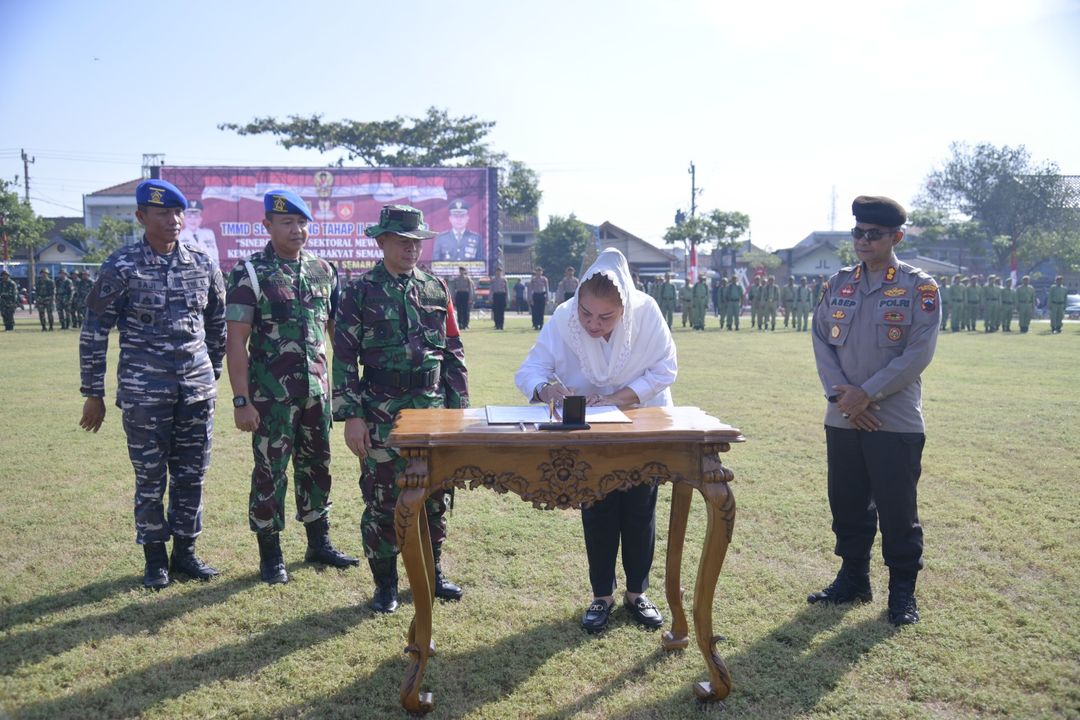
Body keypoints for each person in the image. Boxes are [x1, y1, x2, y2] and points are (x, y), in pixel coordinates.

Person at [515, 248, 677, 633]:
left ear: (623, 307)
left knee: (640, 509)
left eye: (605, 317)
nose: (592, 323)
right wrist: (547, 390)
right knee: (598, 508)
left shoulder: (647, 311)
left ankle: (638, 593)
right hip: (589, 433)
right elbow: (530, 369)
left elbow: (665, 367)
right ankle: (601, 595)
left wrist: (618, 398)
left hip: (640, 423)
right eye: (586, 313)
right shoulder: (563, 318)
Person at [79, 178, 226, 589]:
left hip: (195, 392)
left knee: (192, 475)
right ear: (141, 216)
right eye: (162, 213)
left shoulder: (202, 261)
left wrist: (210, 372)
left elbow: (216, 322)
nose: (172, 220)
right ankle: (155, 559)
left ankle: (186, 553)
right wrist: (94, 392)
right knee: (150, 478)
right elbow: (94, 330)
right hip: (145, 394)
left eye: (178, 212)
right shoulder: (120, 266)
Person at [332, 204, 469, 613]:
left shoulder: (435, 288)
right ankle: (386, 584)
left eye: (417, 242)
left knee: (433, 494)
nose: (411, 249)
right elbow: (343, 358)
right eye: (402, 241)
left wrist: (457, 410)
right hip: (380, 412)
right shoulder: (359, 292)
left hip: (431, 409)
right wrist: (352, 416)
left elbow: (453, 351)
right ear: (382, 242)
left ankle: (433, 572)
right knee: (382, 499)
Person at [810, 195, 939, 627]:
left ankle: (902, 591)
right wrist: (842, 398)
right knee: (846, 502)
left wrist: (866, 394)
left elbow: (918, 352)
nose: (863, 241)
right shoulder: (838, 284)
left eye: (874, 234)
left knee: (897, 508)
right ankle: (853, 579)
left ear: (895, 237)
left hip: (893, 419)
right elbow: (822, 343)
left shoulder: (919, 287)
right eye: (858, 232)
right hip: (842, 416)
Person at [225, 189, 358, 585]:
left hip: (317, 395)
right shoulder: (249, 272)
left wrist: (346, 389)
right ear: (267, 226)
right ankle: (271, 555)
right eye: (287, 222)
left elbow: (336, 334)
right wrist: (241, 401)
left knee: (317, 467)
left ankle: (319, 543)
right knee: (270, 472)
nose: (297, 230)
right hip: (270, 400)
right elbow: (236, 341)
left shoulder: (323, 271)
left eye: (302, 222)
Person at [179, 199, 220, 267]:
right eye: (189, 217)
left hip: (209, 273)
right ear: (184, 219)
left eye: (196, 217)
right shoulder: (179, 235)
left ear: (200, 219)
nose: (193, 220)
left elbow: (215, 256)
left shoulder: (209, 234)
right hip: (188, 273)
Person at [449, 265, 476, 330]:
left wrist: (470, 298)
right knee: (459, 310)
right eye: (460, 270)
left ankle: (465, 325)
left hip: (465, 294)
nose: (461, 271)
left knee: (465, 310)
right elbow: (453, 289)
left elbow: (470, 289)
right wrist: (453, 298)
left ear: (464, 271)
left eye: (462, 270)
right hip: (459, 294)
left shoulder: (468, 279)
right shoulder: (456, 279)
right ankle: (460, 324)